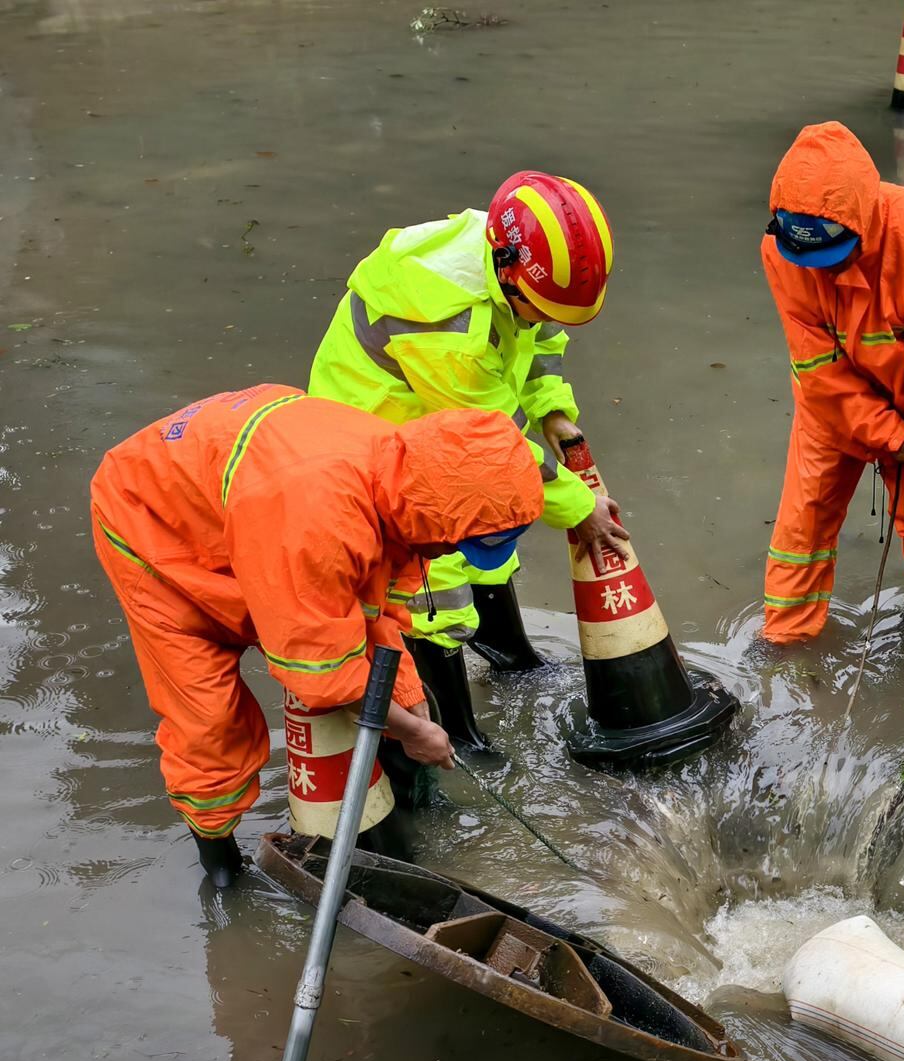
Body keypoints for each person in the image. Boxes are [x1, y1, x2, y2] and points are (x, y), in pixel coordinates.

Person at [90, 385, 545, 887]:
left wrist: (409, 702)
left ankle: (403, 807)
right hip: (153, 522)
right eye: (454, 541)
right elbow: (321, 672)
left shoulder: (411, 474)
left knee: (354, 648)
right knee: (208, 717)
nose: (444, 552)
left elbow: (376, 611)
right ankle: (220, 862)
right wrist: (414, 732)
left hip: (251, 496)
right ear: (438, 518)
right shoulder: (321, 523)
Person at [309, 171, 624, 745]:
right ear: (508, 275)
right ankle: (456, 730)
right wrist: (581, 507)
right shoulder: (449, 327)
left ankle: (507, 651)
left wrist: (553, 409)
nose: (546, 318)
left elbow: (542, 337)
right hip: (380, 434)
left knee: (493, 530)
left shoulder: (514, 255)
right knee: (434, 576)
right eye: (540, 307)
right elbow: (496, 447)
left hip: (449, 412)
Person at [759, 121, 904, 643]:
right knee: (801, 530)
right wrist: (888, 435)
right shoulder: (781, 251)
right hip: (831, 407)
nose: (822, 274)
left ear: (865, 224)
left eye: (835, 258)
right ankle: (786, 648)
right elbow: (818, 368)